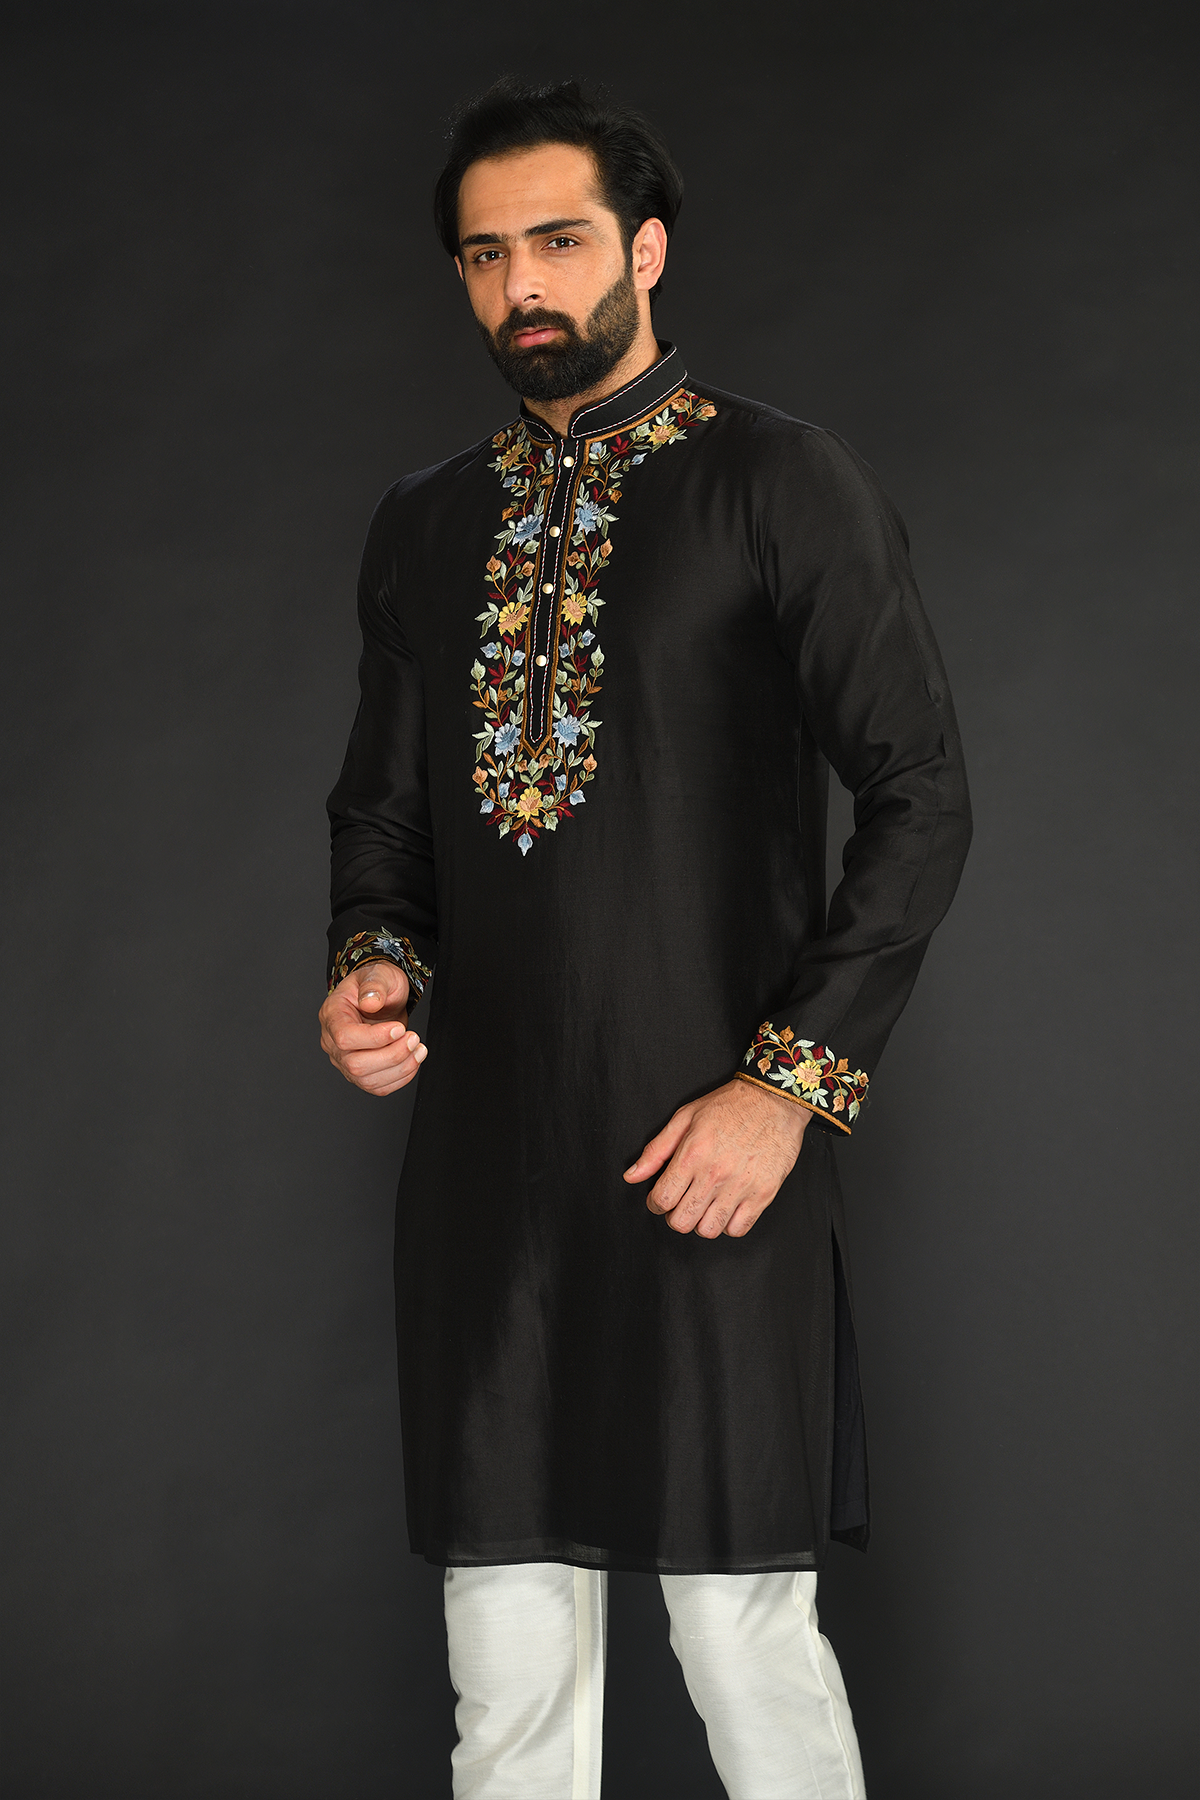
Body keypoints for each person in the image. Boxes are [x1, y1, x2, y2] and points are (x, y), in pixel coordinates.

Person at [318, 77, 971, 1800]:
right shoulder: (425, 523)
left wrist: (787, 1090)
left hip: (712, 1155)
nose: (522, 284)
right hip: (488, 1174)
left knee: (743, 1638)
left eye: (558, 241)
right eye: (485, 255)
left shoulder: (779, 481)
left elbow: (921, 795)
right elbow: (384, 816)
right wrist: (376, 965)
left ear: (648, 249)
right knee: (506, 1664)